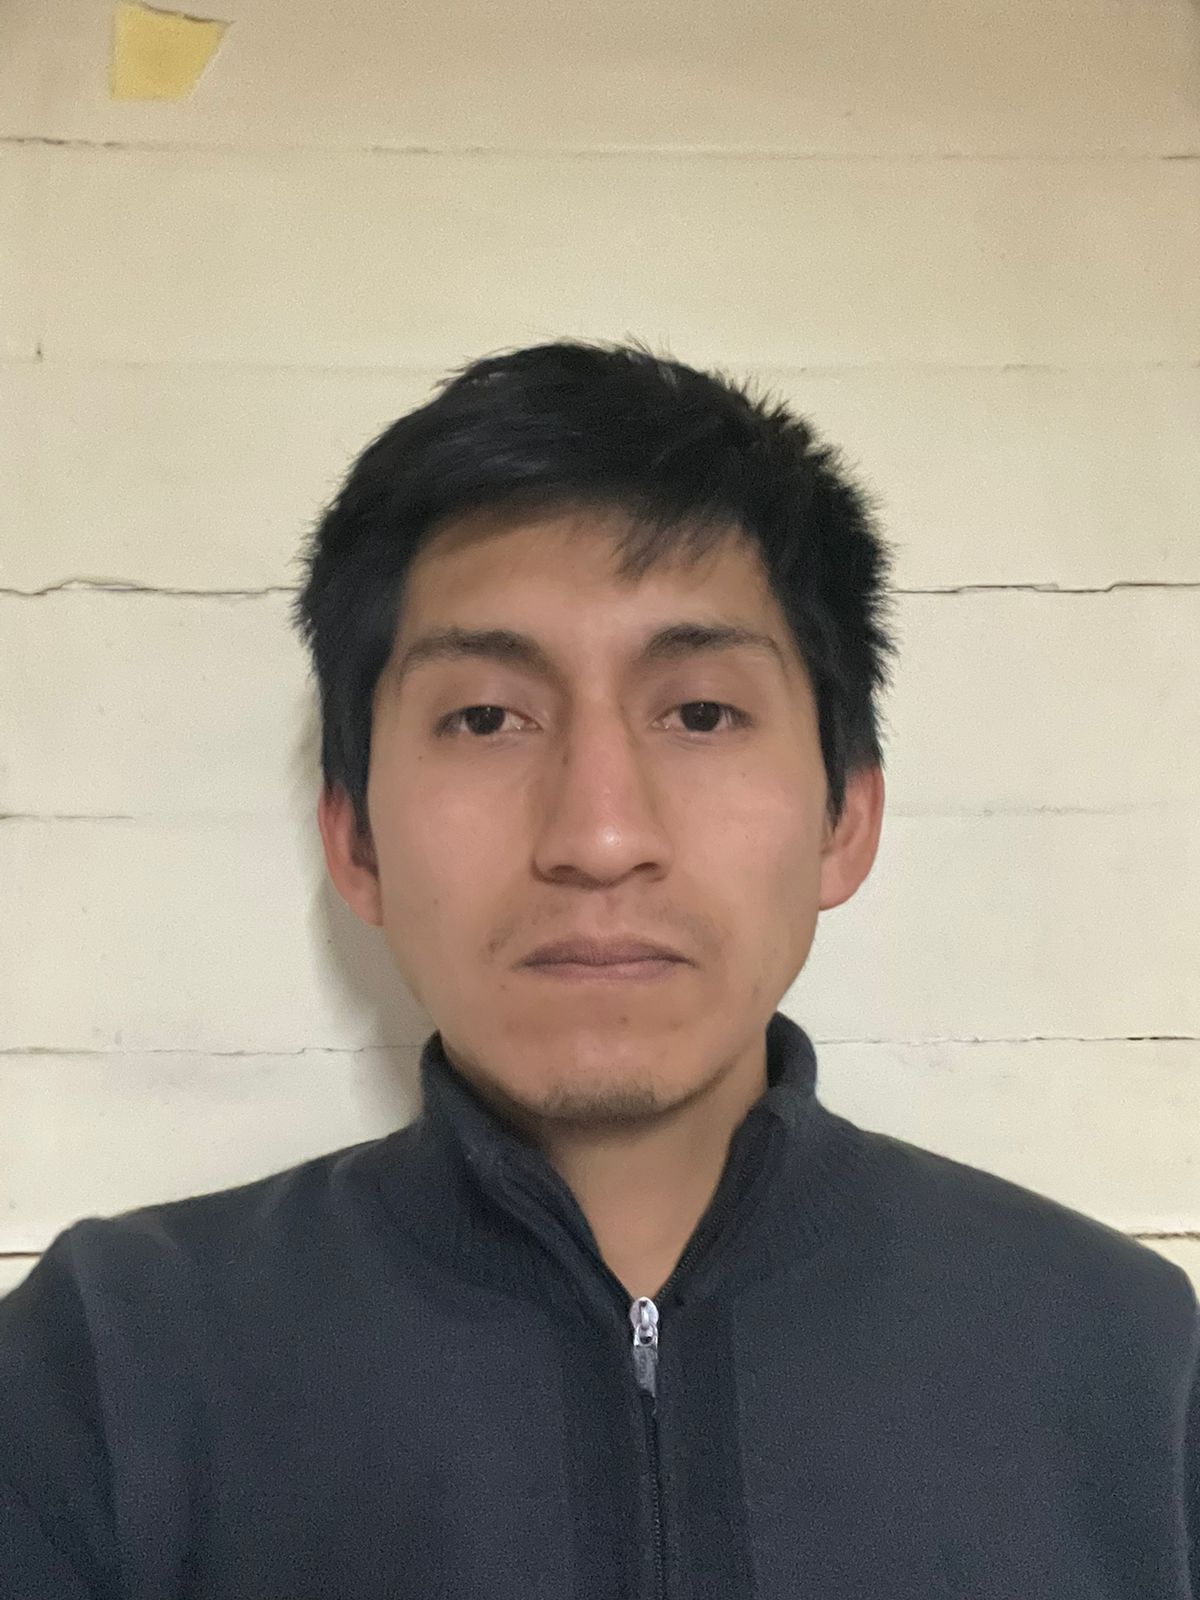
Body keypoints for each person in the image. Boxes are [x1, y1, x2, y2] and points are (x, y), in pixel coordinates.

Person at [2, 339, 1196, 1598]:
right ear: (355, 840)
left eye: (700, 713)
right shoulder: (108, 1372)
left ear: (845, 815)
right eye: (485, 717)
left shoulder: (1128, 1363)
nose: (600, 835)